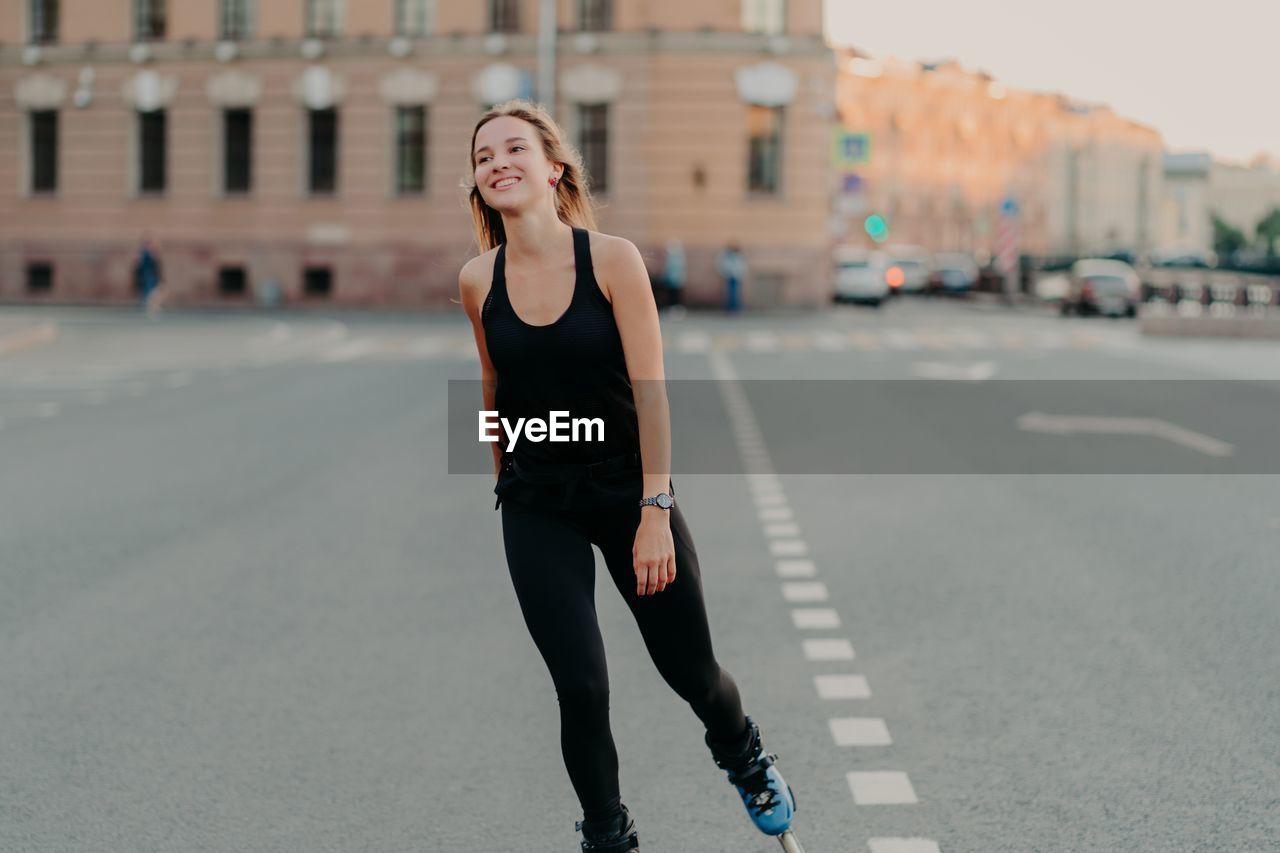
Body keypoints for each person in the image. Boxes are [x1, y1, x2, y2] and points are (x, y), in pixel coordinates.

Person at [457, 101, 797, 852]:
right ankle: (608, 834)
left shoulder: (611, 260)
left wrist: (653, 508)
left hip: (627, 489)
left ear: (553, 169)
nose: (498, 163)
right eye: (484, 157)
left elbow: (651, 393)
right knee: (580, 686)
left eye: (514, 148)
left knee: (693, 673)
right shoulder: (479, 279)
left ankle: (742, 751)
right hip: (537, 499)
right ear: (478, 184)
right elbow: (491, 386)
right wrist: (503, 479)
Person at [134, 235, 166, 318]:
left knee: (156, 294)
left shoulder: (151, 254)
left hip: (152, 278)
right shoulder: (144, 254)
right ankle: (151, 311)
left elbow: (157, 267)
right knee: (152, 295)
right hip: (148, 278)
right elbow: (139, 267)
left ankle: (152, 310)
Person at [715, 242, 747, 313]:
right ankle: (731, 308)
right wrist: (724, 273)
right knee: (730, 293)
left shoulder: (738, 255)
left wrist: (741, 274)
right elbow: (721, 265)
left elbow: (742, 266)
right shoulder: (726, 255)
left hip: (736, 276)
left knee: (735, 293)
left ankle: (734, 308)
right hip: (729, 276)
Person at [661, 239, 686, 317]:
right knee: (672, 295)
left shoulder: (675, 258)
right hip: (673, 280)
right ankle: (673, 310)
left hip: (674, 280)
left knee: (674, 296)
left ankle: (675, 311)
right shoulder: (676, 257)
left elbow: (673, 269)